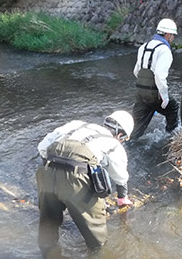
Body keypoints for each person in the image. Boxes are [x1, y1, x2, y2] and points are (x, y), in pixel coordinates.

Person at [36, 111, 134, 258]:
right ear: (120, 135)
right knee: (97, 239)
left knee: (48, 225)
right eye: (124, 139)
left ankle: (47, 253)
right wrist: (122, 198)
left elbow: (42, 148)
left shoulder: (75, 125)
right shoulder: (113, 144)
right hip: (77, 179)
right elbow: (120, 177)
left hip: (46, 172)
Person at [131, 18, 179, 139]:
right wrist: (164, 96)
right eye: (173, 35)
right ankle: (171, 136)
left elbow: (136, 71)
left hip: (140, 92)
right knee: (173, 107)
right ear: (168, 34)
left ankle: (127, 141)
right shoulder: (164, 50)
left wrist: (145, 86)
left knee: (136, 128)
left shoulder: (143, 47)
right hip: (154, 93)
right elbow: (159, 75)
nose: (173, 38)